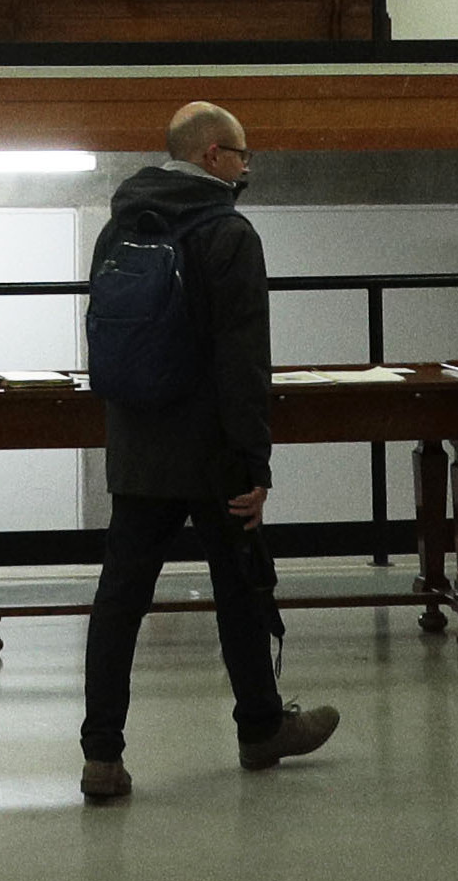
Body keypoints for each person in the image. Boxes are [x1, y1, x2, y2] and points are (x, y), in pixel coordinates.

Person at [78, 99, 339, 800]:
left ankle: (101, 756)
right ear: (211, 156)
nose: (248, 166)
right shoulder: (227, 233)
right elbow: (243, 359)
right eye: (242, 153)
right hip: (213, 449)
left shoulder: (120, 225)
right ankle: (259, 729)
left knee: (118, 602)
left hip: (136, 445)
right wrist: (254, 462)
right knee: (241, 588)